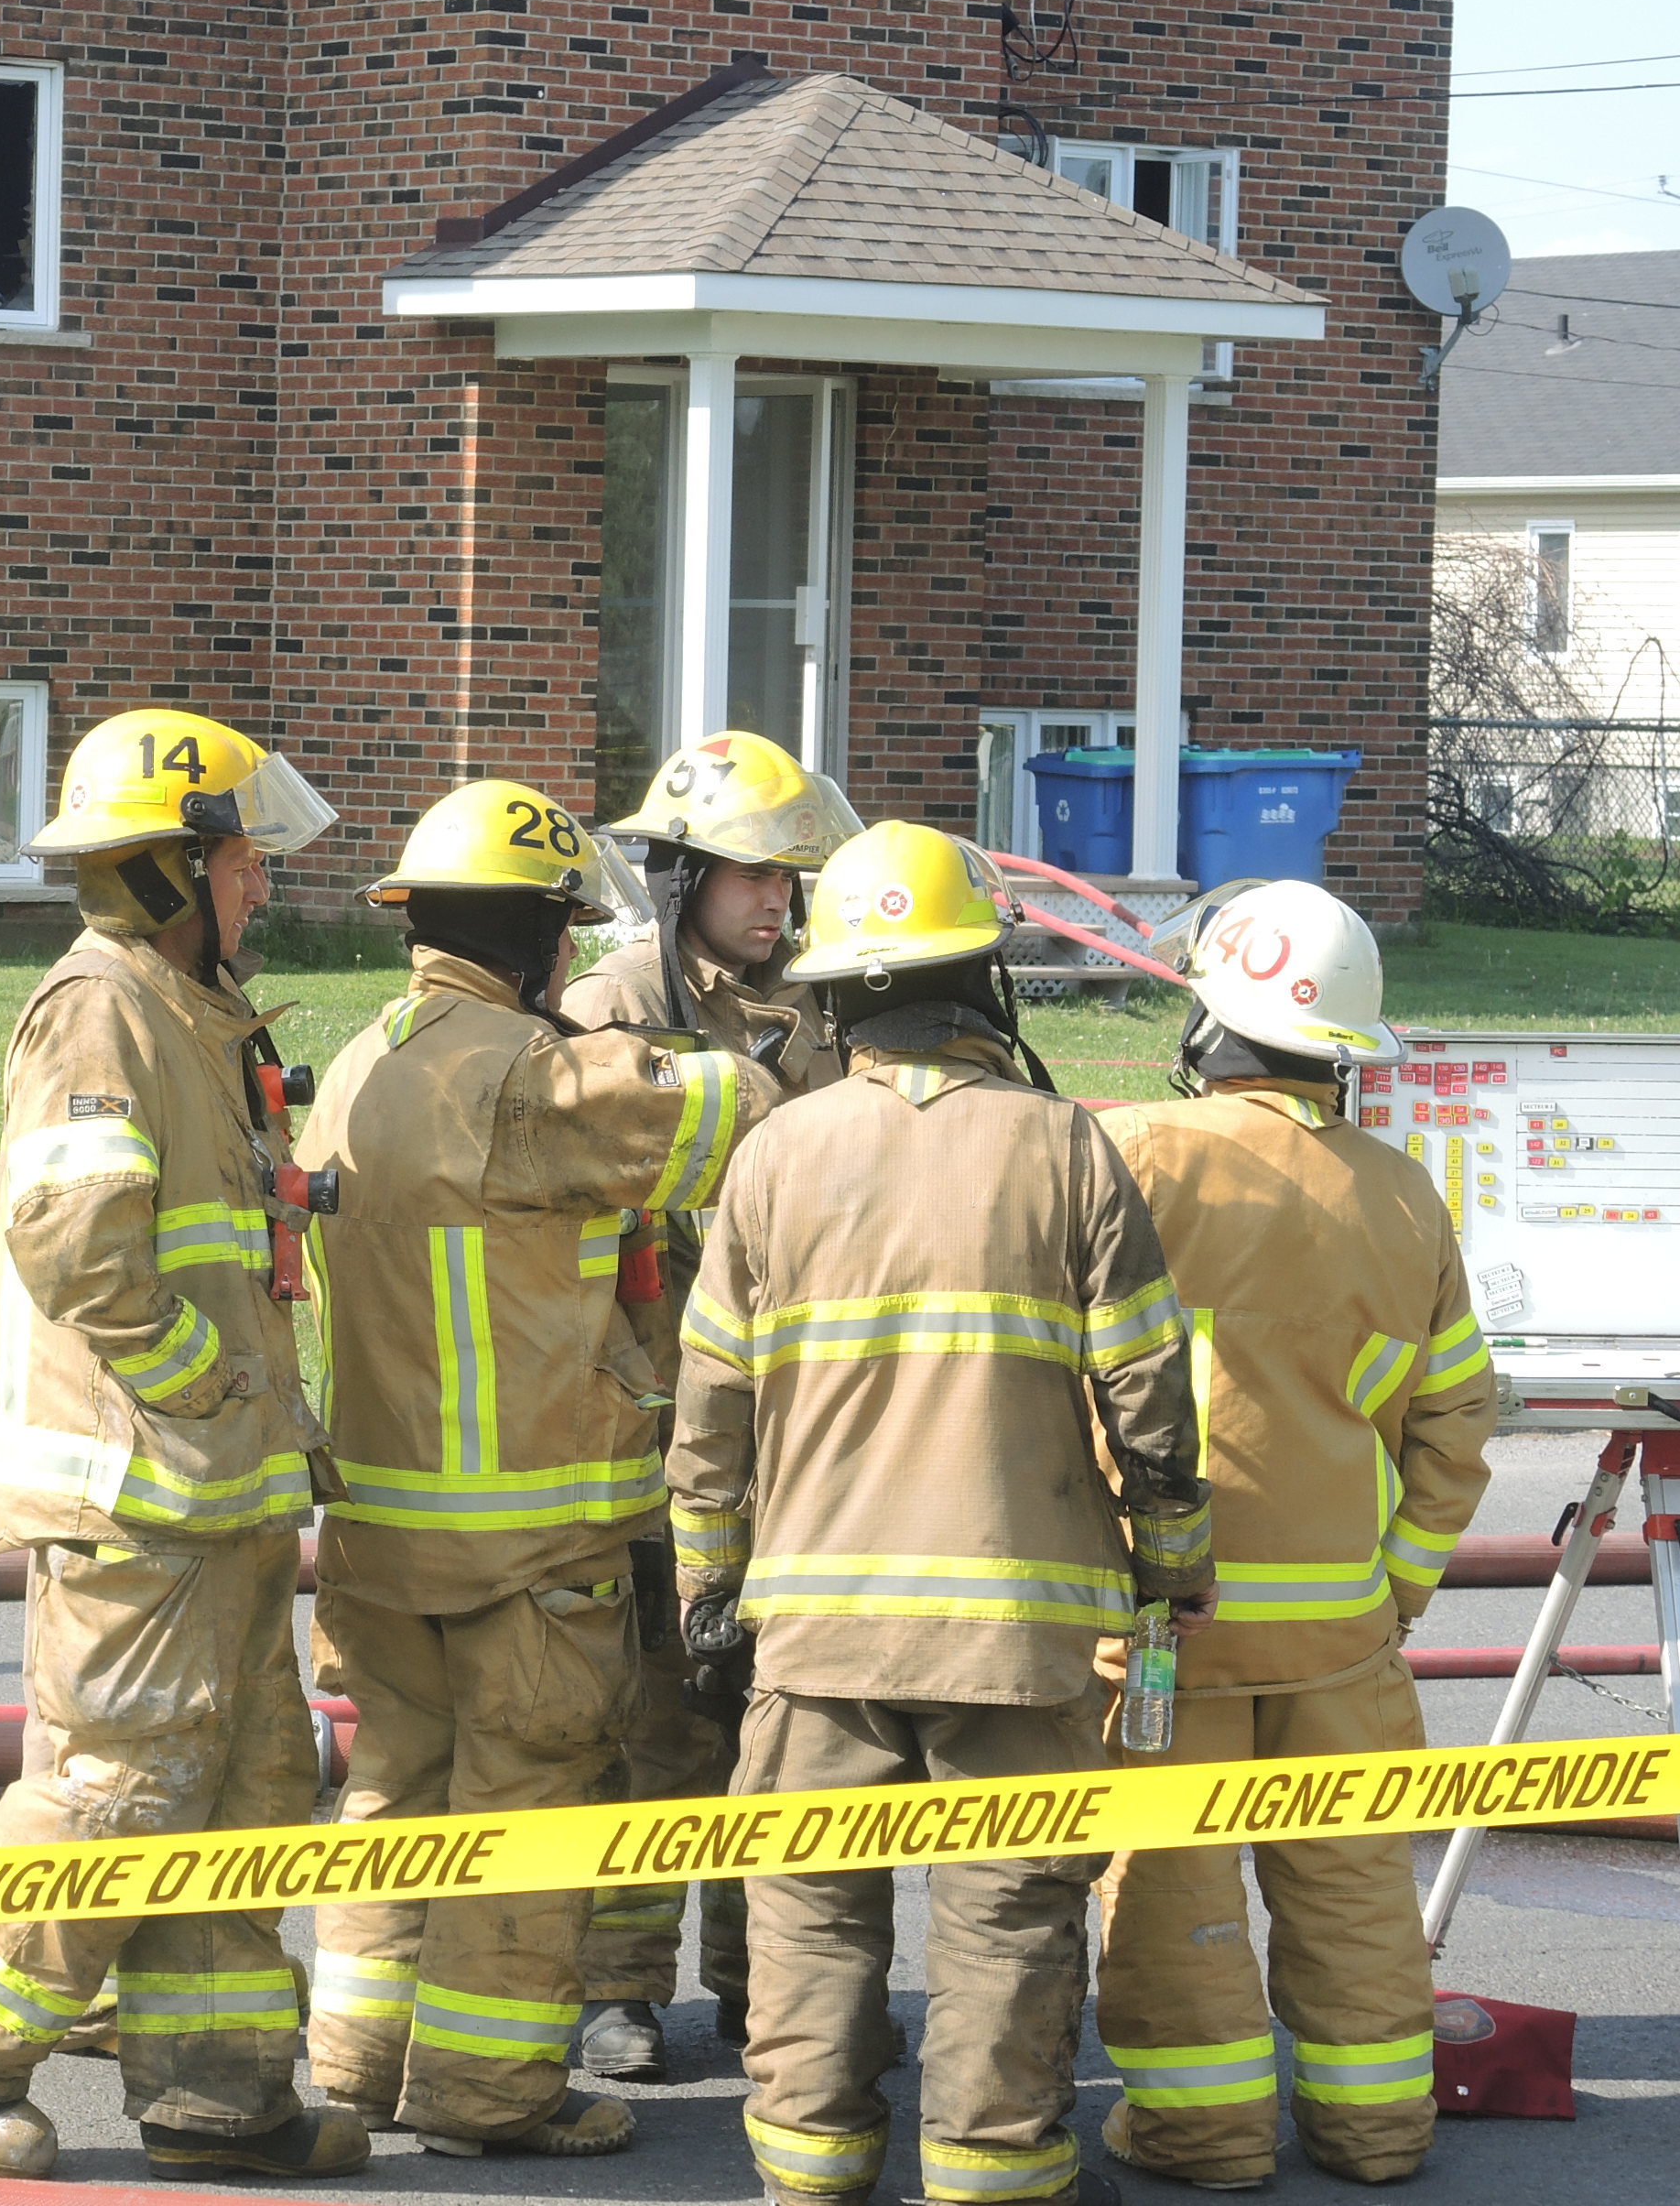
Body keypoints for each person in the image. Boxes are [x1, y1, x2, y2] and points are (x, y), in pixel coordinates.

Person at [670, 820, 1213, 2206]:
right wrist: (1171, 1569)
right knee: (1011, 1913)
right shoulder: (1067, 1152)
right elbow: (1151, 1403)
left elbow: (711, 1415)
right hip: (1018, 1642)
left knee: (808, 1911)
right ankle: (989, 2170)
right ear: (987, 984)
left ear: (839, 994)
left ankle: (810, 2172)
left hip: (812, 1636)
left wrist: (705, 1594)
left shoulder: (774, 1160)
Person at [0, 707, 373, 2185]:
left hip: (208, 1481)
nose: (261, 889)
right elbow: (78, 1241)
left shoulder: (190, 1010)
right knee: (124, 1781)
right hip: (133, 1482)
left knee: (249, 1779)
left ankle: (218, 2090)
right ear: (169, 869)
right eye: (239, 863)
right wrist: (203, 1381)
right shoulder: (99, 1009)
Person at [294, 777, 773, 2163]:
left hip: (382, 1537)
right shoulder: (526, 1075)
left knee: (396, 1794)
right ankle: (491, 2092)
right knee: (523, 1807)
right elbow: (731, 1119)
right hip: (526, 1541)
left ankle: (363, 2059)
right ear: (536, 941)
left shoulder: (368, 1060)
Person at [1089, 880, 1496, 2191]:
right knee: (1353, 1883)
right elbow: (1454, 1423)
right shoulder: (1403, 1199)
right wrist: (1400, 1594)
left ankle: (1201, 2137)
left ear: (1212, 1024)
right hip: (1341, 1632)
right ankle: (1379, 2131)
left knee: (1169, 1883)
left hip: (1160, 1626)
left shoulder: (1126, 1155)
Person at [557, 729, 860, 2076]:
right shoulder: (610, 1013)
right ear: (677, 875)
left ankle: (759, 1989)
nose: (777, 903)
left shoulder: (823, 1010)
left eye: (791, 880)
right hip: (661, 1420)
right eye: (751, 878)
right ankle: (622, 1987)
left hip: (799, 1437)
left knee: (778, 1724)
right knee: (657, 1726)